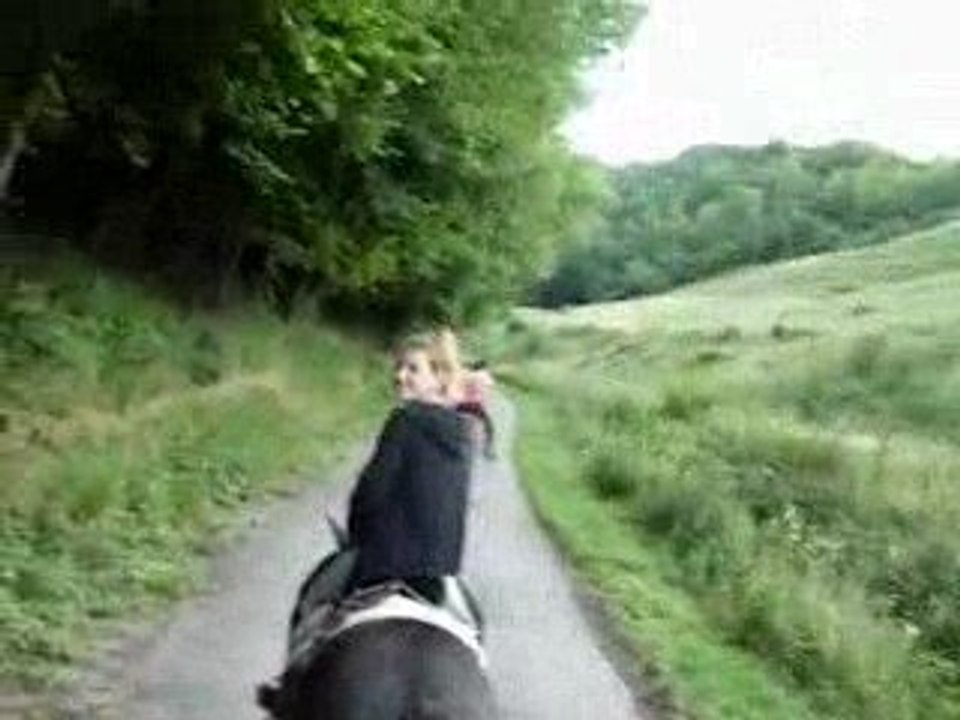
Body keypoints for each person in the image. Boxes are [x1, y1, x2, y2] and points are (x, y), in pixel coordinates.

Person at [345, 329, 472, 604]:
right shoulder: (462, 432)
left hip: (386, 567)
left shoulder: (405, 420)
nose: (400, 376)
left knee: (323, 616)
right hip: (439, 576)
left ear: (440, 376)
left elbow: (371, 493)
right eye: (399, 367)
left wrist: (355, 532)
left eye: (413, 369)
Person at [457, 359, 497, 459]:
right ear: (484, 367)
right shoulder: (485, 376)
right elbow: (489, 390)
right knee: (489, 426)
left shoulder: (467, 375)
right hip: (476, 406)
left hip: (461, 404)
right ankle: (489, 449)